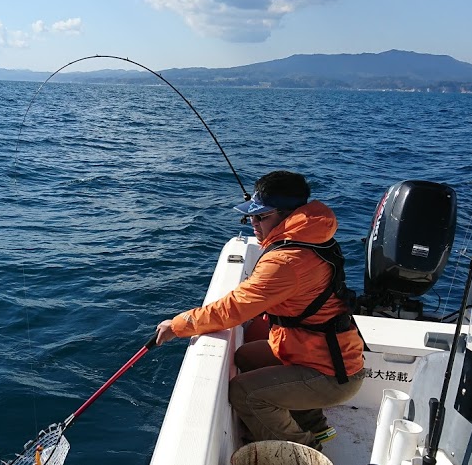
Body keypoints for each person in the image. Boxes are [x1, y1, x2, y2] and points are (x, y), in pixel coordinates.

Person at [154, 170, 366, 449]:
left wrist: (179, 324)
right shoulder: (315, 237)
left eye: (260, 216)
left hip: (332, 374)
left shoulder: (286, 261)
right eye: (250, 215)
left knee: (245, 393)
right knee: (246, 355)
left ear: (287, 214)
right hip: (319, 350)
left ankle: (303, 451)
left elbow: (234, 309)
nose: (252, 222)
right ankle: (314, 425)